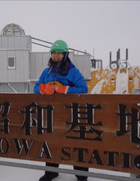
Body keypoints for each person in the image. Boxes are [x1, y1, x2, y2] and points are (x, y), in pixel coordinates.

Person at [34, 40, 89, 181]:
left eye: (59, 53)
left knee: (76, 143)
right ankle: (51, 172)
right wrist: (43, 89)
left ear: (65, 55)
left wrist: (64, 89)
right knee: (51, 141)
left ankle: (81, 175)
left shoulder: (73, 71)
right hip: (52, 115)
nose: (56, 56)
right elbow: (36, 87)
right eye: (54, 53)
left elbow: (83, 89)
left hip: (72, 115)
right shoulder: (47, 72)